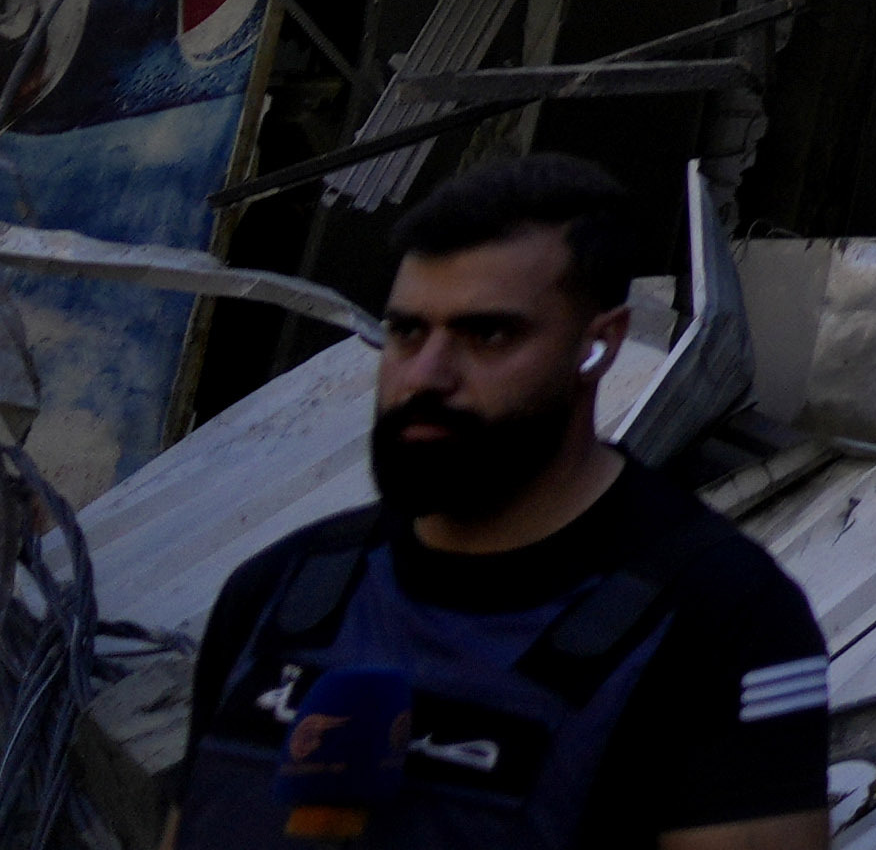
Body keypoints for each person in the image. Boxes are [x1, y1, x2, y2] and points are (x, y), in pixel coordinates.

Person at [177, 153, 832, 850]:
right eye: (407, 332)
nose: (425, 377)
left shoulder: (723, 618)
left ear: (598, 346)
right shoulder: (277, 593)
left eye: (487, 335)